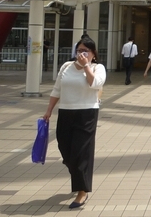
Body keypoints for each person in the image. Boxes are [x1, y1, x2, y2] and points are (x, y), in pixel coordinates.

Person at [42, 36, 106, 209]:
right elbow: (57, 89)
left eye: (85, 51)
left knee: (80, 153)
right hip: (66, 112)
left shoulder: (97, 68)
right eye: (79, 50)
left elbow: (95, 84)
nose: (81, 54)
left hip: (87, 113)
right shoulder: (66, 67)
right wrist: (49, 110)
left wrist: (86, 66)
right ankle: (78, 175)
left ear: (93, 53)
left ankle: (81, 191)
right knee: (65, 149)